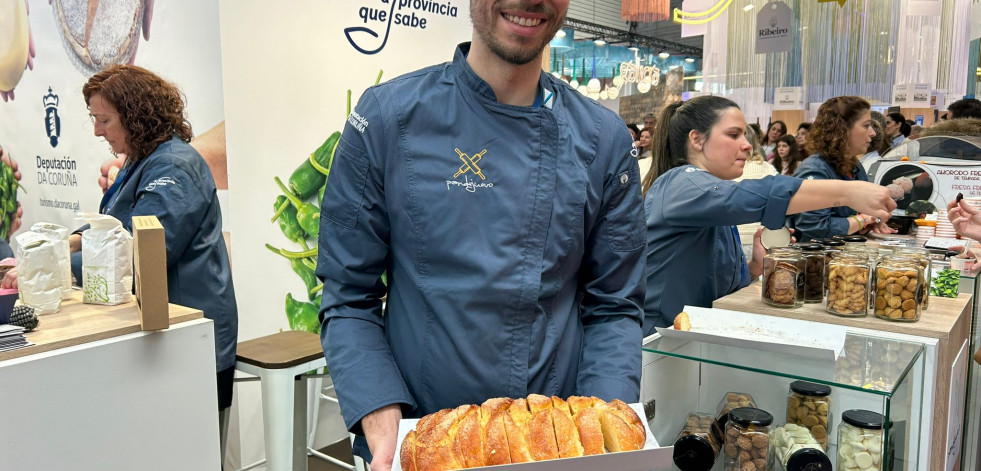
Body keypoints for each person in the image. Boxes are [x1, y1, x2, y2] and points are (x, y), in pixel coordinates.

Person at [316, 1, 646, 469]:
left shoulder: (603, 140)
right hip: (421, 438)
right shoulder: (389, 118)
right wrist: (378, 412)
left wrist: (604, 437)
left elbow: (615, 305)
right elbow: (348, 295)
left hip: (552, 448)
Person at [641, 96, 895, 332]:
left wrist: (754, 266)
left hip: (694, 334)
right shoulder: (681, 184)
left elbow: (711, 283)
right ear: (697, 140)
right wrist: (846, 192)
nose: (746, 145)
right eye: (733, 135)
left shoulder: (708, 190)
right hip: (660, 340)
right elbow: (756, 195)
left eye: (745, 135)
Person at [71, 65, 238, 412]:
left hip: (188, 331)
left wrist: (62, 265)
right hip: (164, 330)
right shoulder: (142, 160)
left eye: (105, 120)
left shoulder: (173, 166)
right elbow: (115, 227)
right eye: (94, 119)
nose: (97, 131)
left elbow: (142, 251)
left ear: (134, 116)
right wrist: (72, 240)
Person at [789, 96, 896, 241]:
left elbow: (863, 214)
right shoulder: (815, 170)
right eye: (866, 125)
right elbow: (814, 228)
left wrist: (872, 222)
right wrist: (863, 220)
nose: (873, 133)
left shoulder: (855, 167)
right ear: (842, 130)